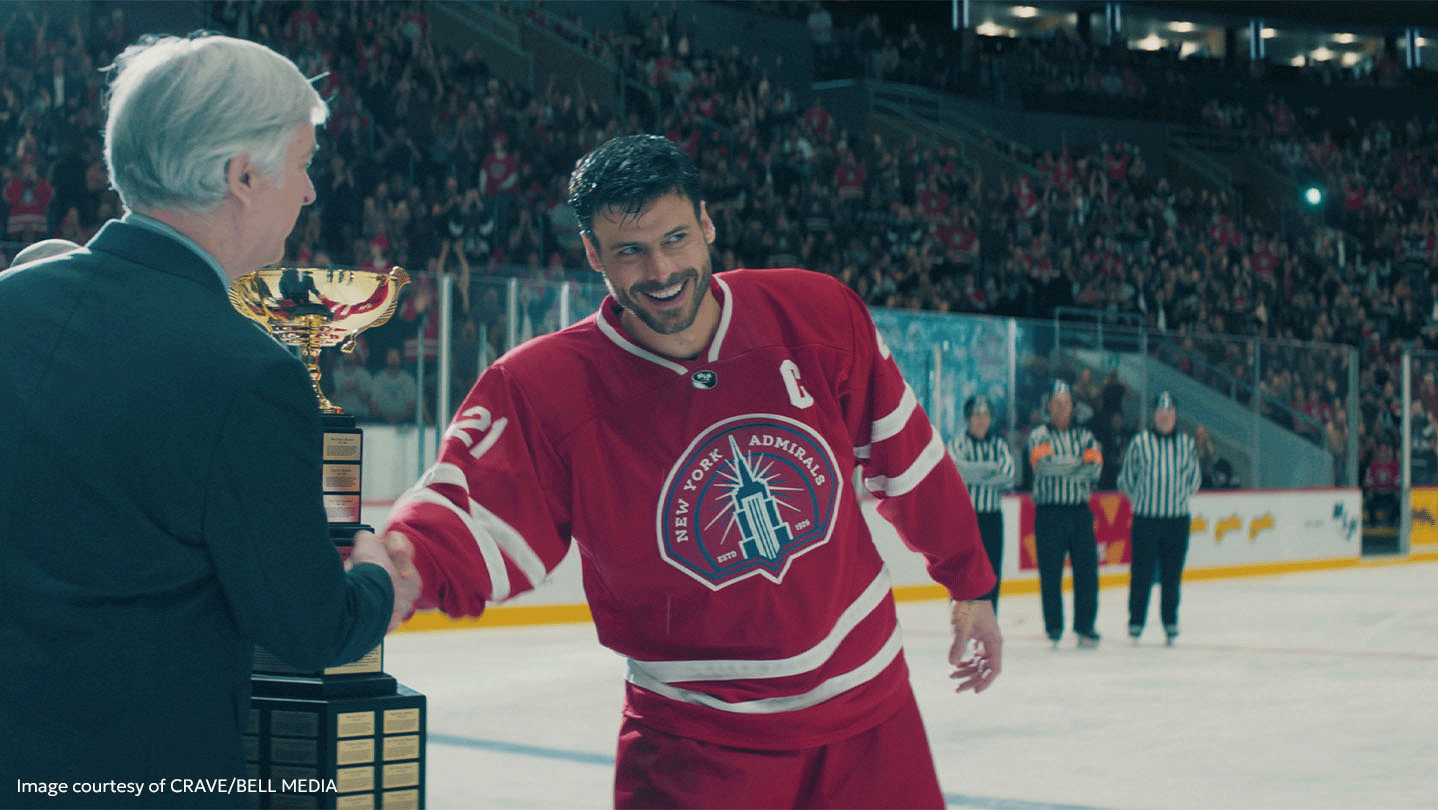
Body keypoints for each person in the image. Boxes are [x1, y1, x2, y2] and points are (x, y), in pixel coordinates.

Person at [381, 134, 1002, 809]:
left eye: (676, 238)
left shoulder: (815, 314)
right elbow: (473, 513)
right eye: (630, 251)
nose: (661, 269)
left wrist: (969, 585)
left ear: (707, 223)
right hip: (694, 746)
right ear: (593, 254)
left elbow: (907, 460)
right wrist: (404, 567)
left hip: (869, 717)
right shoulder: (545, 388)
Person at [0, 35, 417, 810]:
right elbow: (304, 628)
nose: (310, 193)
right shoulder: (248, 373)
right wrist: (376, 582)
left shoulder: (9, 307)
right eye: (302, 163)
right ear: (242, 175)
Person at [1117, 392, 1201, 646]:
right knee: (1141, 573)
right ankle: (1136, 621)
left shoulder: (1186, 444)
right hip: (1146, 520)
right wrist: (1143, 501)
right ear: (1154, 415)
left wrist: (1175, 498)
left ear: (1175, 415)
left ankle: (1170, 621)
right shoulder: (1140, 442)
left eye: (1169, 412)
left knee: (1172, 575)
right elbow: (1126, 480)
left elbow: (1194, 481)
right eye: (1160, 411)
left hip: (1176, 520)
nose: (1165, 416)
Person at [1027, 379, 1103, 648]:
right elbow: (1043, 467)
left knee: (1087, 571)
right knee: (1050, 572)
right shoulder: (1039, 435)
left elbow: (1094, 469)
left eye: (1066, 403)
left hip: (1080, 513)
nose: (1061, 408)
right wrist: (1077, 464)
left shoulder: (1087, 436)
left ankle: (1085, 626)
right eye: (1056, 404)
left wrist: (1063, 465)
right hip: (1049, 514)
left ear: (1073, 406)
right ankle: (1054, 626)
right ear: (1049, 406)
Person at [947, 394, 1014, 610]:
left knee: (992, 572)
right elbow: (957, 471)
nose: (981, 419)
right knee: (962, 573)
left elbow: (1008, 475)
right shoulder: (957, 444)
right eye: (976, 414)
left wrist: (973, 471)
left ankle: (988, 628)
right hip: (964, 519)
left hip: (992, 519)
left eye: (985, 415)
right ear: (968, 418)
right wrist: (989, 469)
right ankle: (962, 628)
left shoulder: (999, 445)